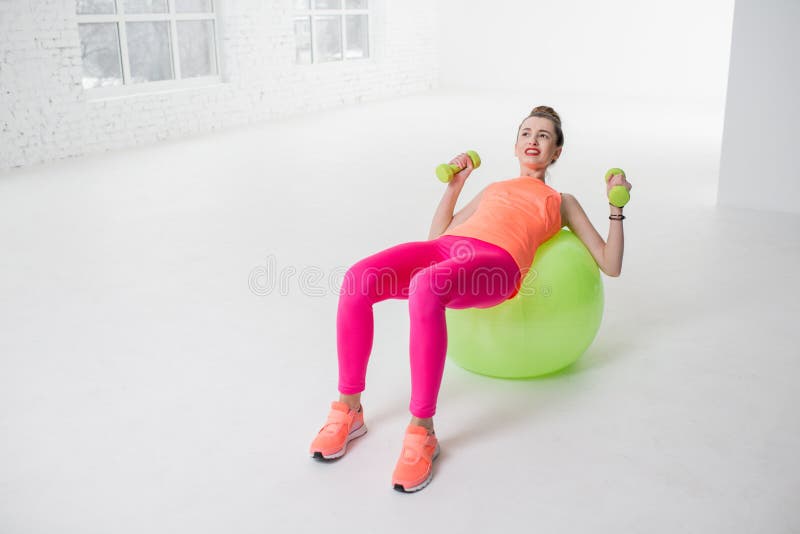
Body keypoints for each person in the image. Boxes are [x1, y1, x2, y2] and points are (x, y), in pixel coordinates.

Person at [308, 106, 632, 493]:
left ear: (557, 152)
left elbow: (610, 265)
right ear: (515, 147)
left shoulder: (561, 201)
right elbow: (437, 235)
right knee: (358, 279)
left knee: (426, 287)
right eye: (526, 133)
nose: (533, 140)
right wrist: (456, 184)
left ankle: (422, 431)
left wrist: (617, 206)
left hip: (498, 264)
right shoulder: (494, 189)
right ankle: (349, 409)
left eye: (544, 136)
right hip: (449, 249)